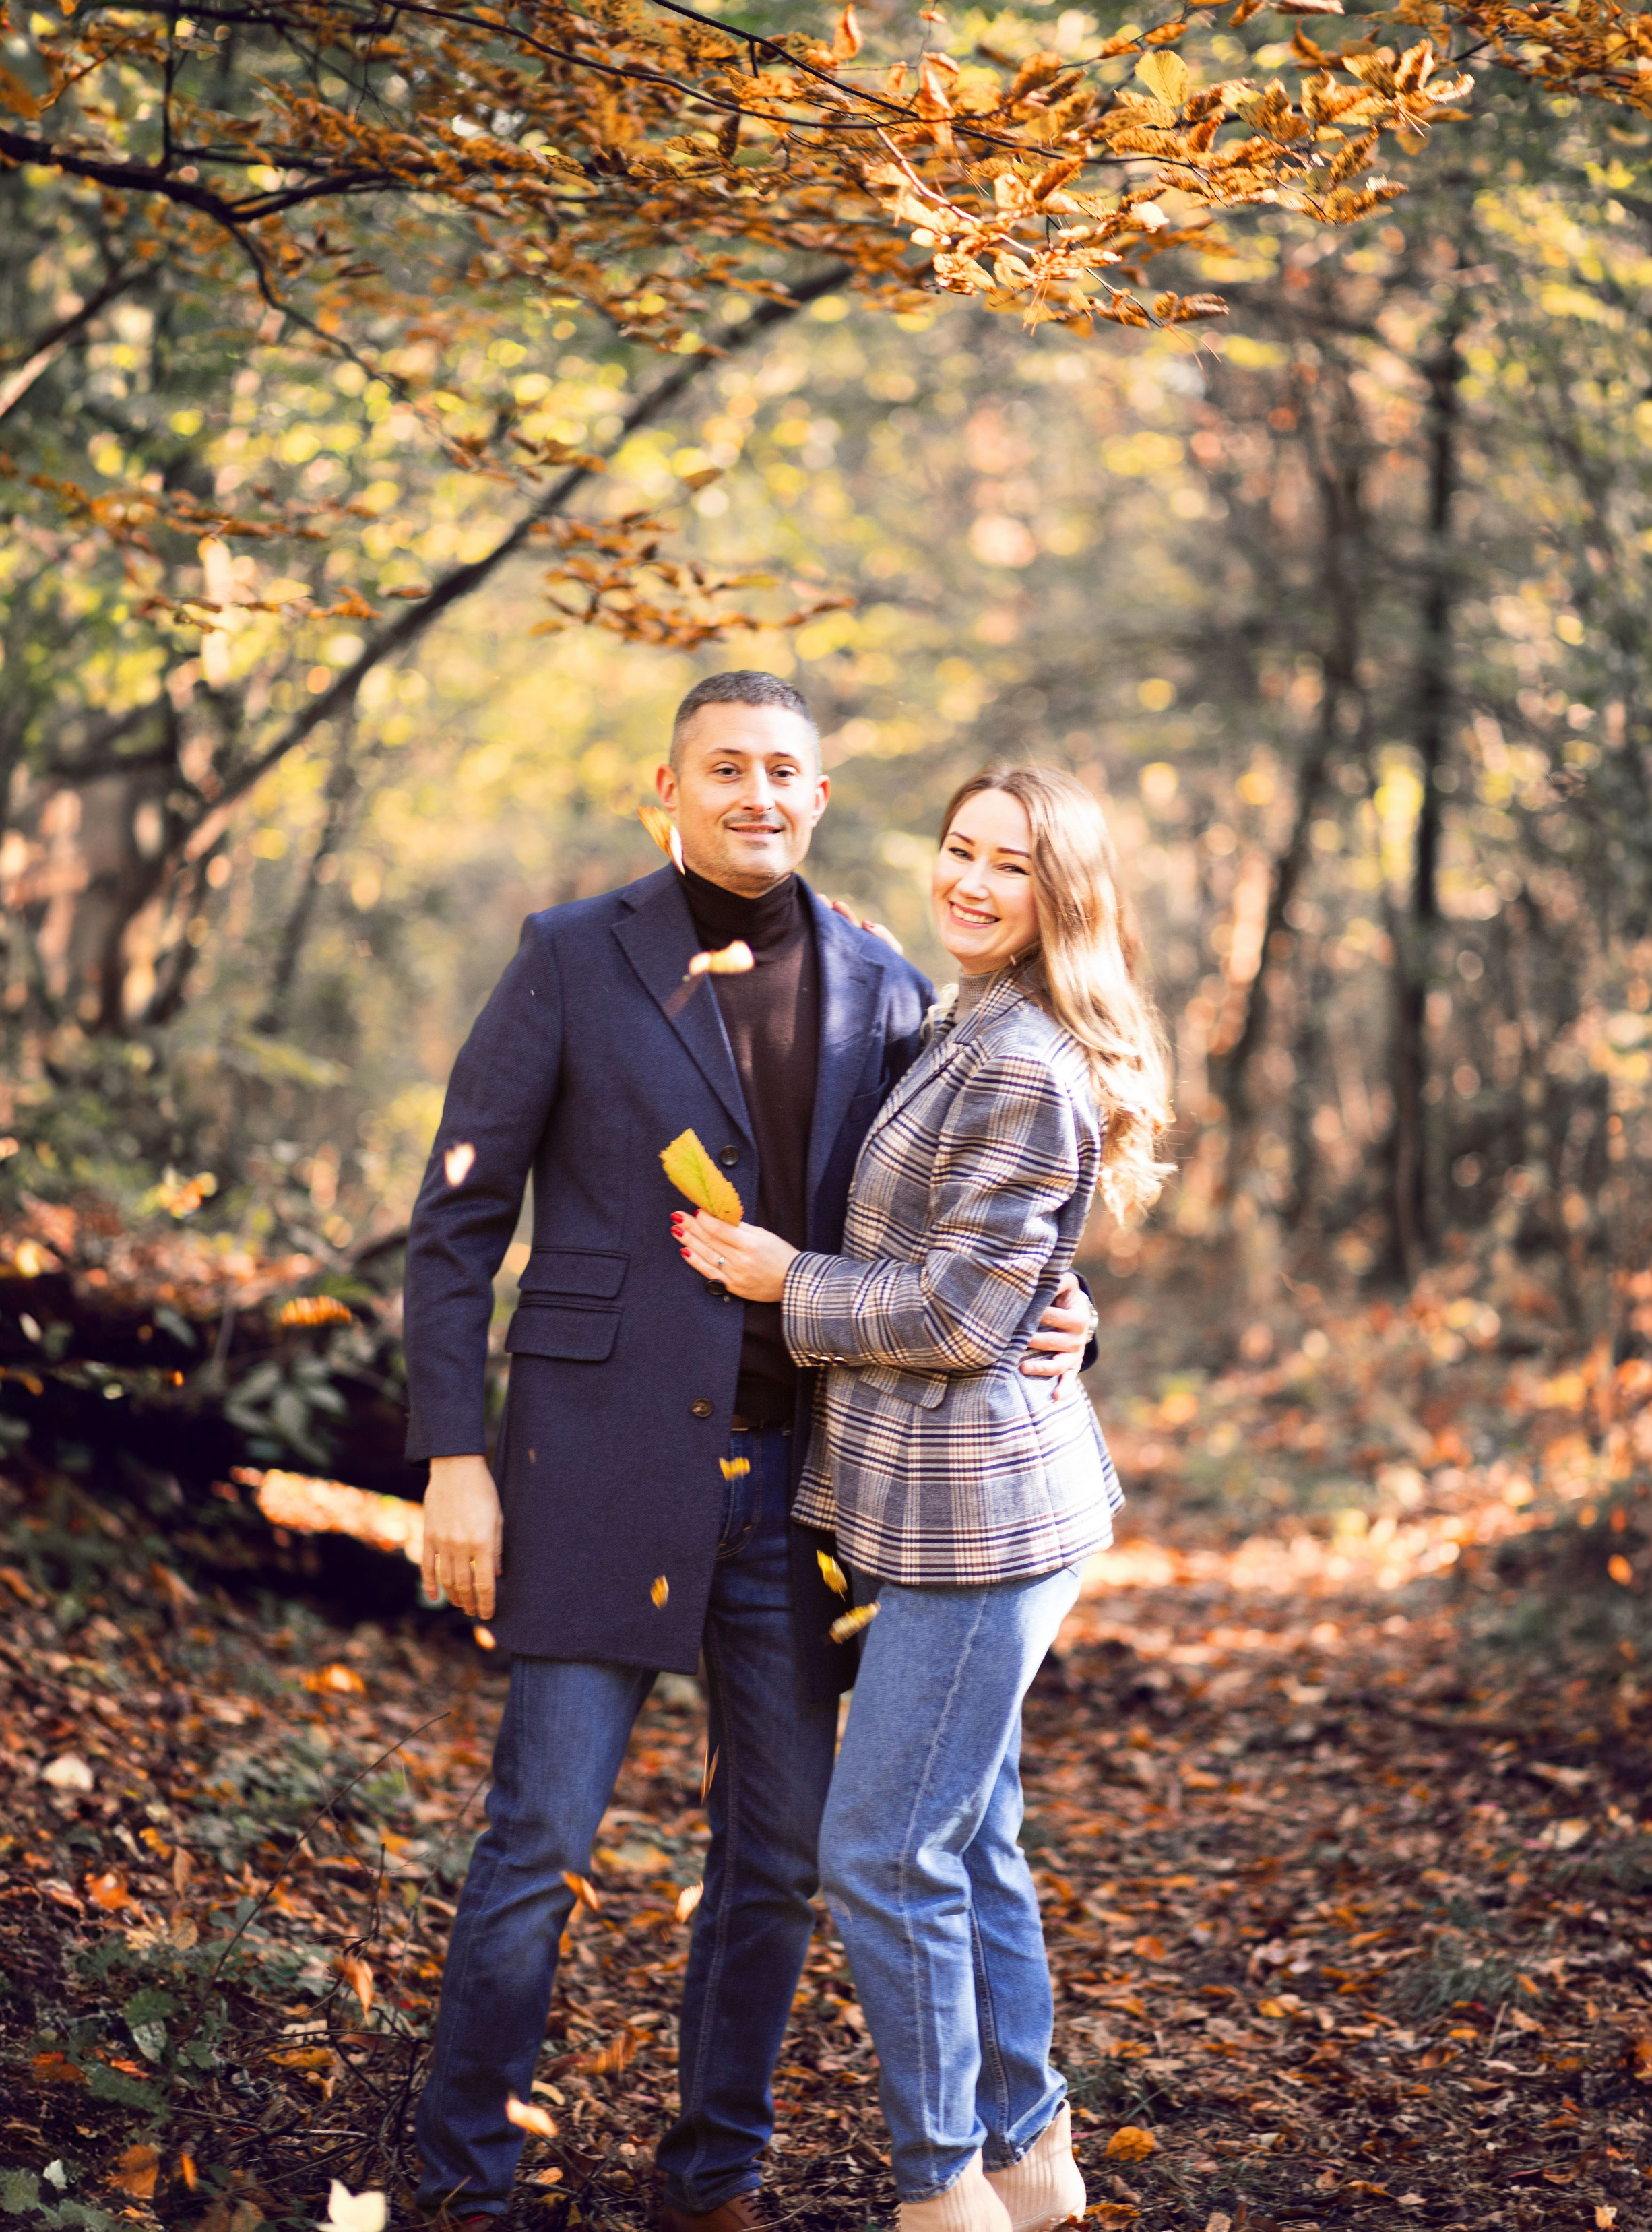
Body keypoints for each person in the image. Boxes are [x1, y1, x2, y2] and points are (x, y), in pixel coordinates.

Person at [402, 676, 1099, 2231]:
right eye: (726, 768)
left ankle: (714, 2170)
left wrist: (1071, 1311)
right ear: (667, 786)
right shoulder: (571, 956)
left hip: (799, 1492)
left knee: (779, 1859)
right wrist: (454, 1453)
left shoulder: (884, 981)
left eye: (785, 769)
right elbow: (456, 1219)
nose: (756, 794)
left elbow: (974, 1217)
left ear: (822, 796)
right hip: (586, 1469)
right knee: (536, 1847)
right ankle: (464, 2175)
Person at [671, 763, 1170, 2232]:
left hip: (982, 1519)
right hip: (935, 1495)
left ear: (1057, 896)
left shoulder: (1019, 1055)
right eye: (957, 850)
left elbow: (958, 1314)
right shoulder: (974, 1019)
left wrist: (787, 1281)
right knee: (972, 1836)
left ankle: (940, 2184)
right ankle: (1027, 2155)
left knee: (881, 1850)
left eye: (1007, 866)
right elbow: (998, 1264)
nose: (968, 881)